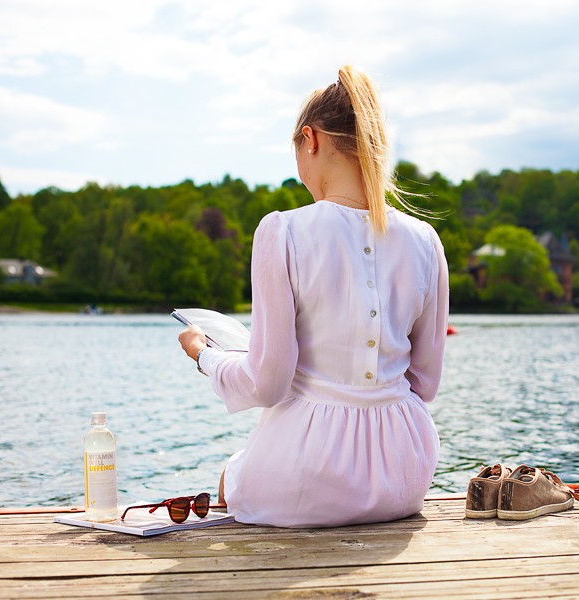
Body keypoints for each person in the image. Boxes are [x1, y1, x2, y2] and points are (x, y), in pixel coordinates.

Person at [178, 65, 449, 528]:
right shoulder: (425, 241)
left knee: (232, 476)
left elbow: (269, 384)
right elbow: (424, 384)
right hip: (403, 475)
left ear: (312, 139)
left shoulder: (282, 231)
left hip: (307, 476)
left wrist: (205, 355)